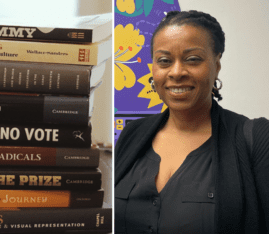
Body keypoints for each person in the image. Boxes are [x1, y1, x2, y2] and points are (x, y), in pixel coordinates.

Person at [114, 10, 269, 234]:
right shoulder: (132, 134)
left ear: (217, 65)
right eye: (164, 61)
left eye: (192, 59)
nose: (176, 72)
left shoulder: (255, 138)